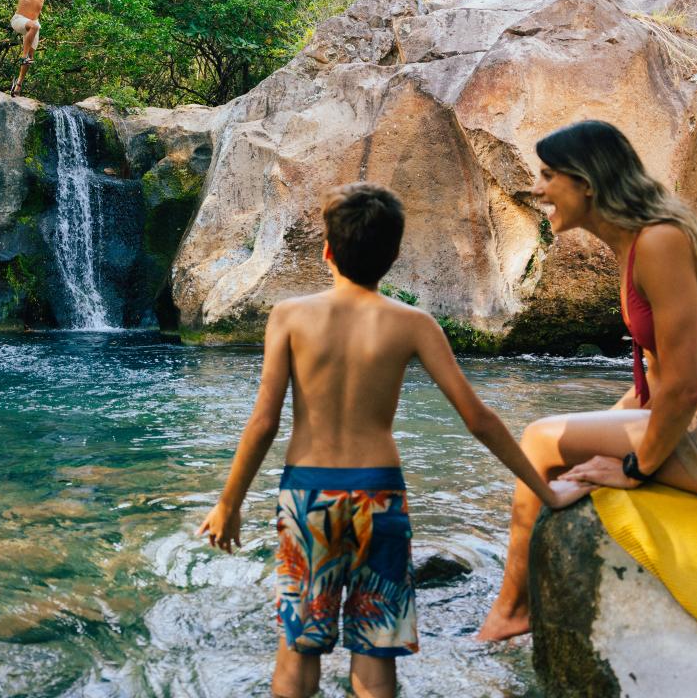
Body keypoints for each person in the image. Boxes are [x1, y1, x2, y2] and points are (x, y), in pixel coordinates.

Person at [198, 183, 589, 698]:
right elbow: (479, 419)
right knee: (375, 653)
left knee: (298, 650)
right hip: (380, 497)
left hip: (308, 496)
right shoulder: (413, 324)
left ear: (327, 250)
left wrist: (229, 503)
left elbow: (264, 423)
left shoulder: (289, 316)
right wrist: (548, 492)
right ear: (394, 255)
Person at [477, 120, 697, 642]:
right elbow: (657, 377)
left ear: (586, 182)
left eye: (547, 175)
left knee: (540, 438)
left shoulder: (659, 243)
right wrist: (597, 436)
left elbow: (684, 387)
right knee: (565, 454)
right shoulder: (641, 242)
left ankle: (512, 611)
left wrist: (638, 466)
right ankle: (520, 592)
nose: (537, 189)